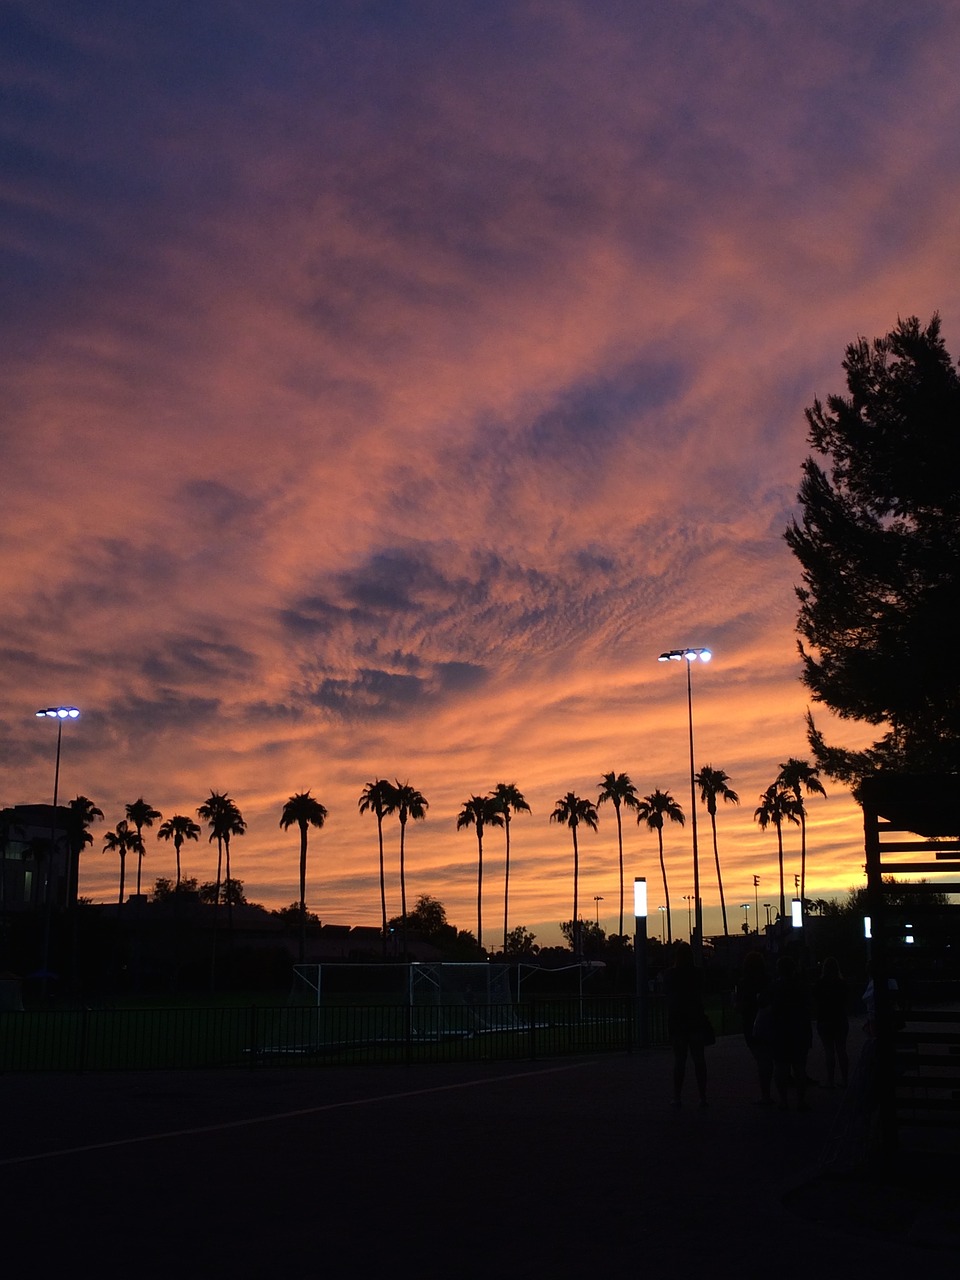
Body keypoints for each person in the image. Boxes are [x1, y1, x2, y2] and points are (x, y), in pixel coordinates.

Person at [664, 942, 711, 1108]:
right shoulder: (698, 973)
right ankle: (703, 1096)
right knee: (699, 1060)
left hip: (678, 1021)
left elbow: (668, 995)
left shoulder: (670, 974)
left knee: (679, 1061)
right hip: (695, 1020)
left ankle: (677, 1096)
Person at [768, 954, 813, 1110]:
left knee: (781, 1068)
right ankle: (800, 1100)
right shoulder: (801, 986)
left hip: (781, 1032)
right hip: (799, 1030)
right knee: (800, 1067)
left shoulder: (775, 987)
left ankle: (784, 1100)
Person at [736, 950, 773, 1103]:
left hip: (750, 1023)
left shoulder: (743, 983)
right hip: (768, 1022)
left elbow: (739, 1005)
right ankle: (767, 1093)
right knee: (766, 1059)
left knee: (761, 1059)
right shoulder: (767, 980)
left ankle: (765, 1094)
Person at [813, 956, 849, 1088]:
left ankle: (830, 1080)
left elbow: (815, 1000)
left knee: (829, 1051)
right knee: (842, 1050)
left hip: (825, 1019)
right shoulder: (841, 983)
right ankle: (845, 1079)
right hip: (840, 1018)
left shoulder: (820, 983)